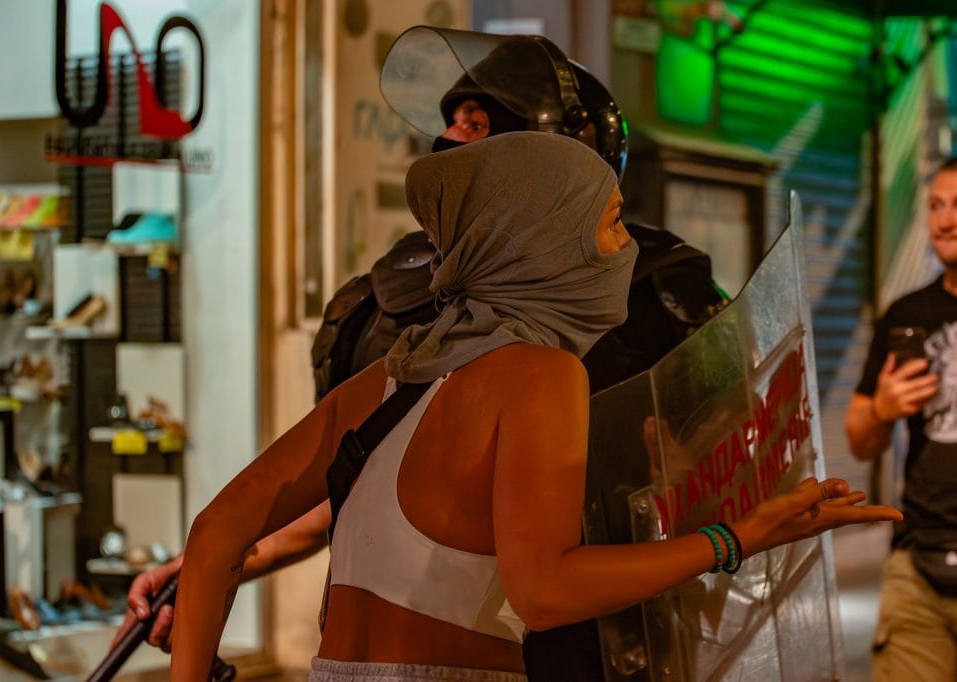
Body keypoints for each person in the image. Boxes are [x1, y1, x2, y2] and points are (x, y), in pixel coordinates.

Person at [167, 131, 899, 680]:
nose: (625, 250)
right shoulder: (542, 376)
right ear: (546, 243)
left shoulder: (389, 380)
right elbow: (544, 591)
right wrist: (737, 537)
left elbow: (214, 534)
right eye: (611, 223)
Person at [115, 34, 723, 678]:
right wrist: (217, 567)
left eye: (479, 126)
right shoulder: (421, 322)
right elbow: (362, 487)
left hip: (608, 647)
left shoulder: (654, 296)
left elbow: (720, 453)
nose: (451, 142)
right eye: (455, 125)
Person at [845, 156, 957, 681]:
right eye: (935, 205)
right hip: (918, 567)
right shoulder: (907, 315)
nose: (945, 220)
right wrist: (882, 410)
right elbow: (860, 440)